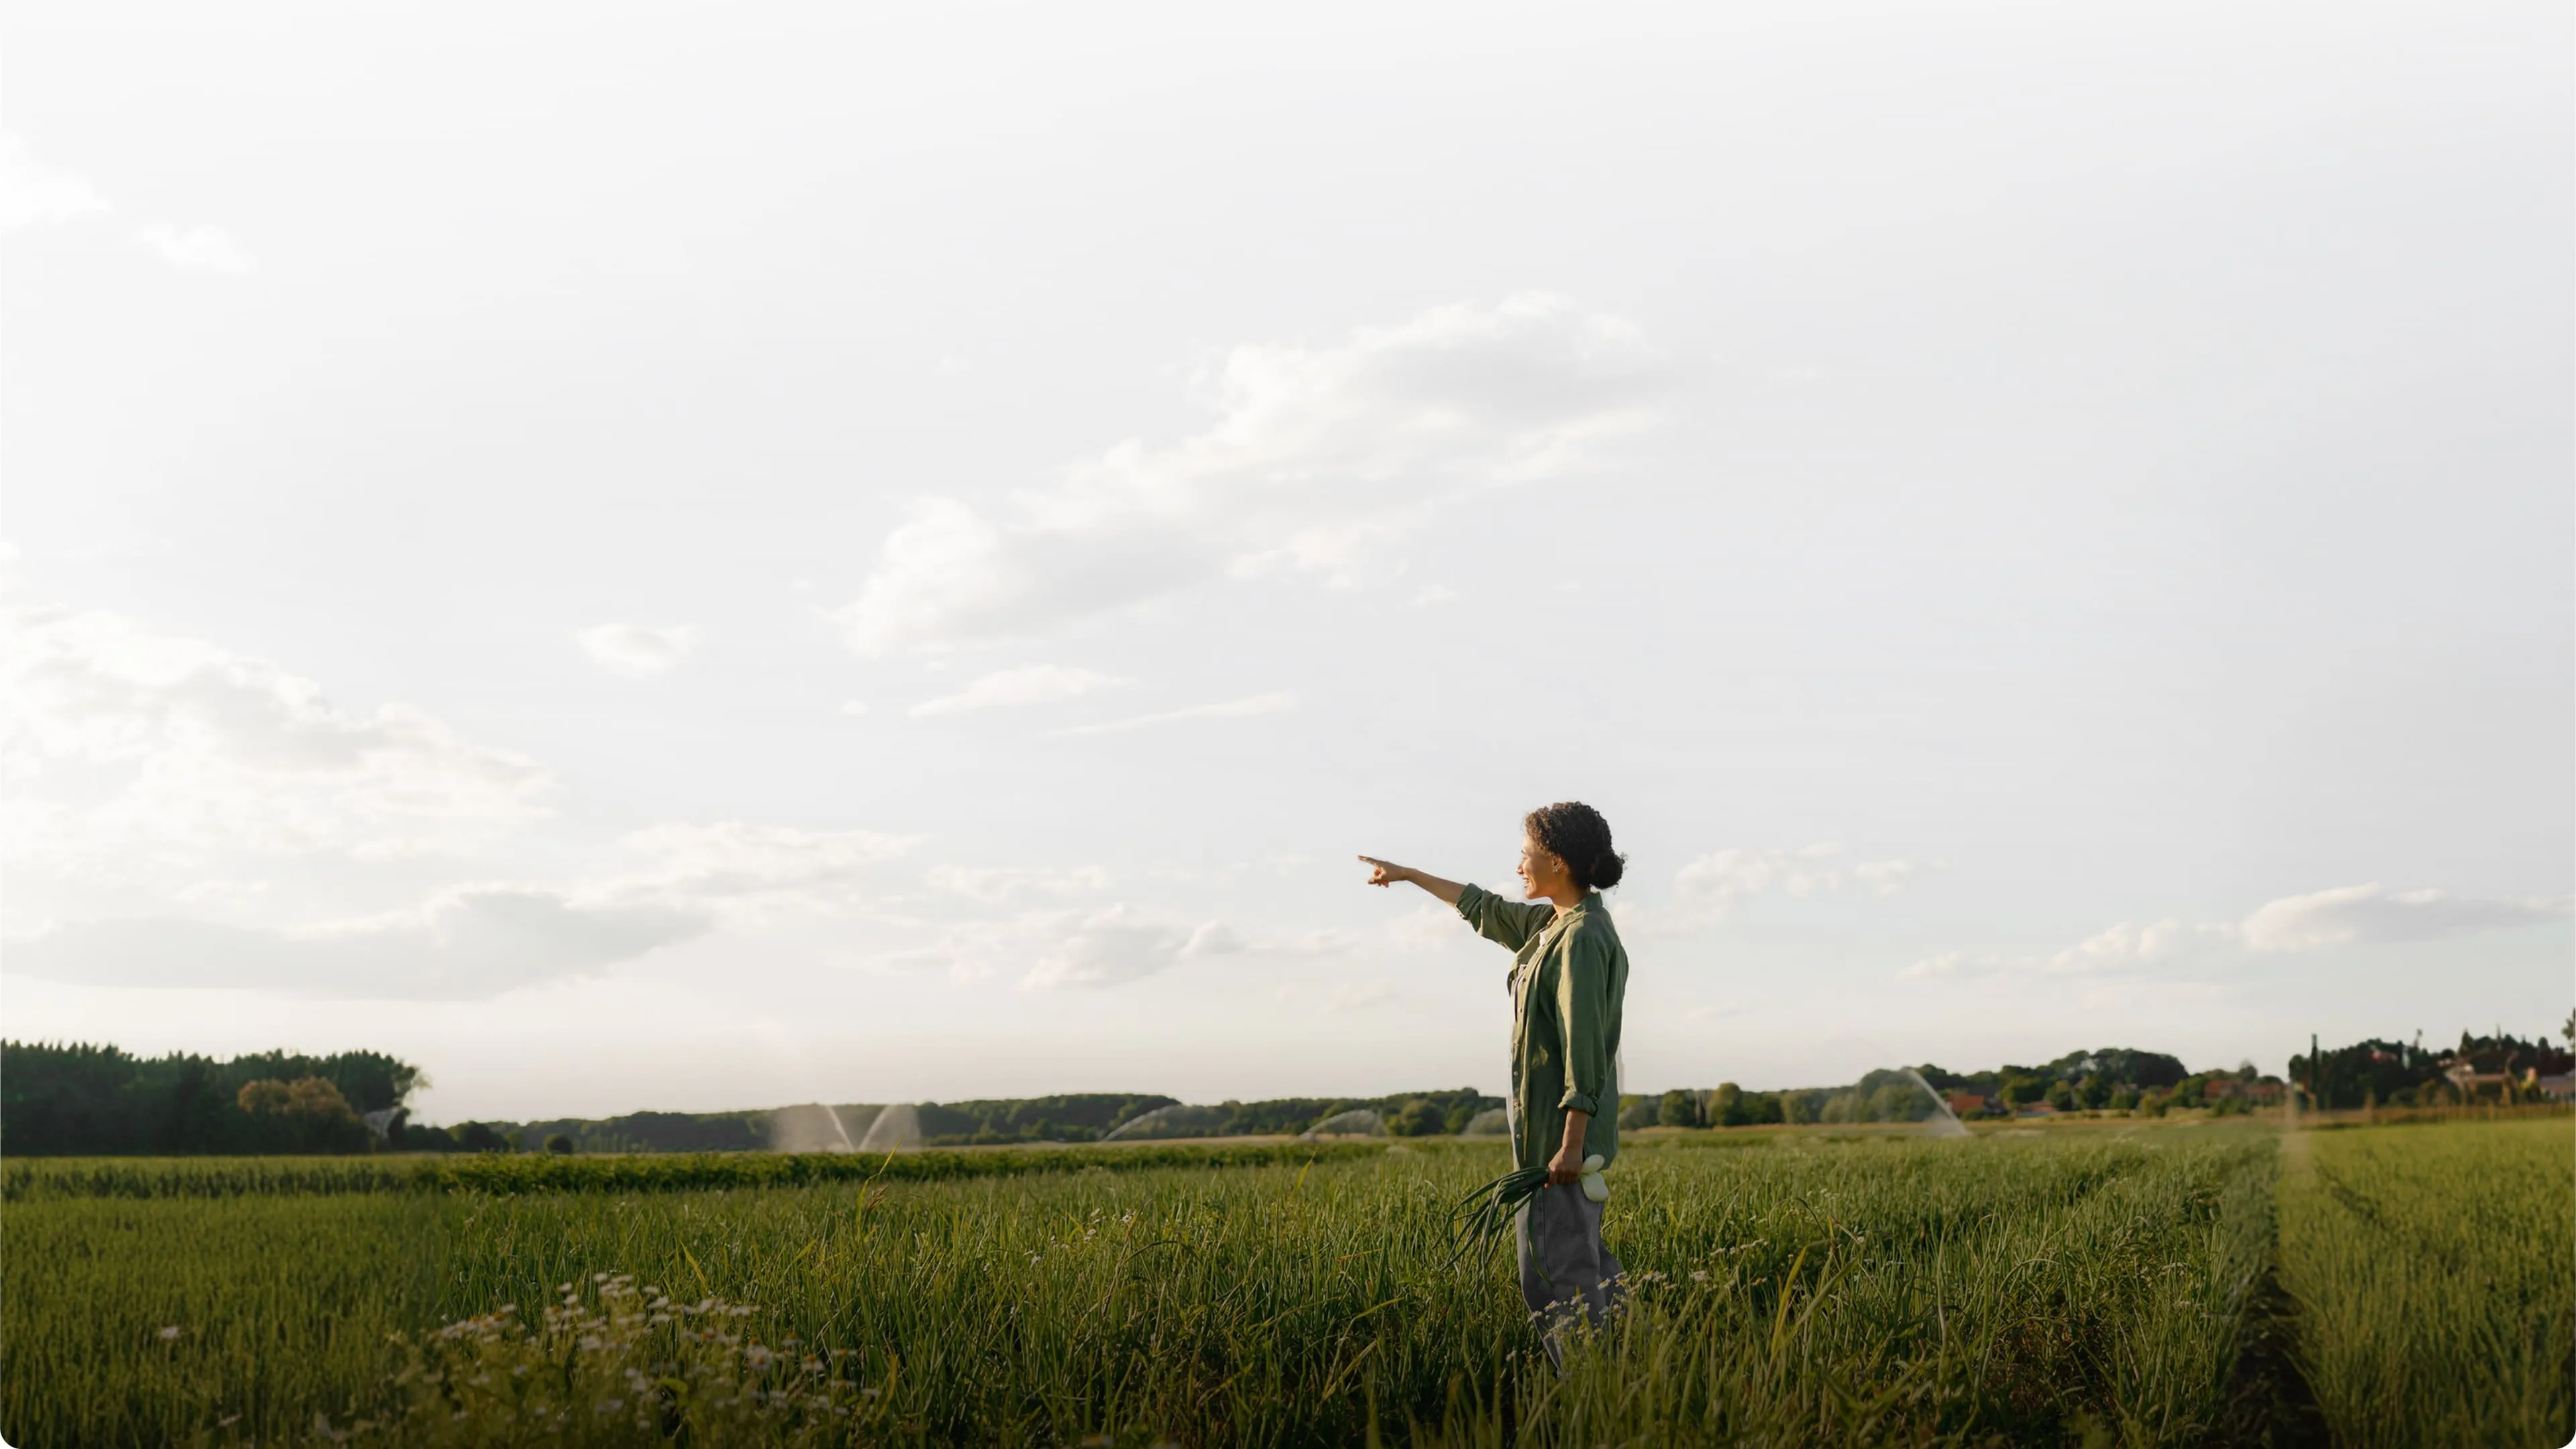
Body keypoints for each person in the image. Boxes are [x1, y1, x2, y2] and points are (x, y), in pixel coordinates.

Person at [1359, 801, 1630, 1364]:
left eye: (1527, 856)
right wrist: (1409, 875)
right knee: (1585, 1264)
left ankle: (1595, 1395)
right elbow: (1485, 908)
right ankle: (1633, 1379)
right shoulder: (1552, 925)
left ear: (1556, 861)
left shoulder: (1579, 939)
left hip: (1560, 1145)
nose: (1519, 866)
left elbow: (1585, 1048)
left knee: (1555, 1277)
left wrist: (1570, 1145)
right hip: (1554, 1141)